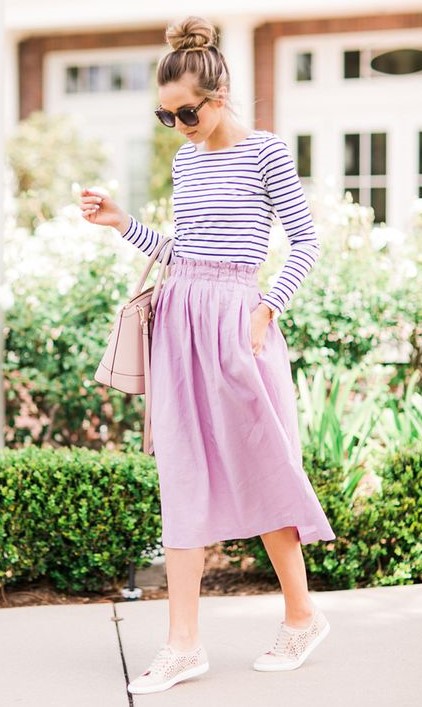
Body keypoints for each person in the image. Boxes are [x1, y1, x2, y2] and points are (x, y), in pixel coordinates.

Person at [80, 15, 336, 696]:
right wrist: (122, 222)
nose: (179, 126)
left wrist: (266, 307)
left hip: (239, 325)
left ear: (218, 98)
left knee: (264, 468)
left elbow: (306, 242)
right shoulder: (187, 160)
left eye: (187, 112)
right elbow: (181, 253)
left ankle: (303, 615)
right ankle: (183, 644)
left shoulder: (267, 153)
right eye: (166, 117)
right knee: (183, 475)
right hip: (179, 323)